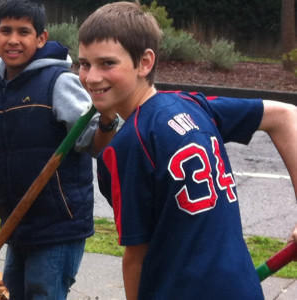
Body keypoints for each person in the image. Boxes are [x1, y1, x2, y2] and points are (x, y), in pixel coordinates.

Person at [77, 1, 297, 299]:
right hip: (242, 287)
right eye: (84, 64)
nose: (91, 78)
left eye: (107, 64)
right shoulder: (192, 103)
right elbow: (286, 115)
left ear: (145, 62)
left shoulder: (126, 146)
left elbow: (135, 257)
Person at [0, 0, 114, 298]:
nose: (13, 39)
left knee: (43, 294)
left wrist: (107, 122)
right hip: (16, 223)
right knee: (17, 291)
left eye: (23, 32)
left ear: (41, 38)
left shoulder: (59, 83)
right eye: (5, 31)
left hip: (59, 225)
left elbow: (94, 144)